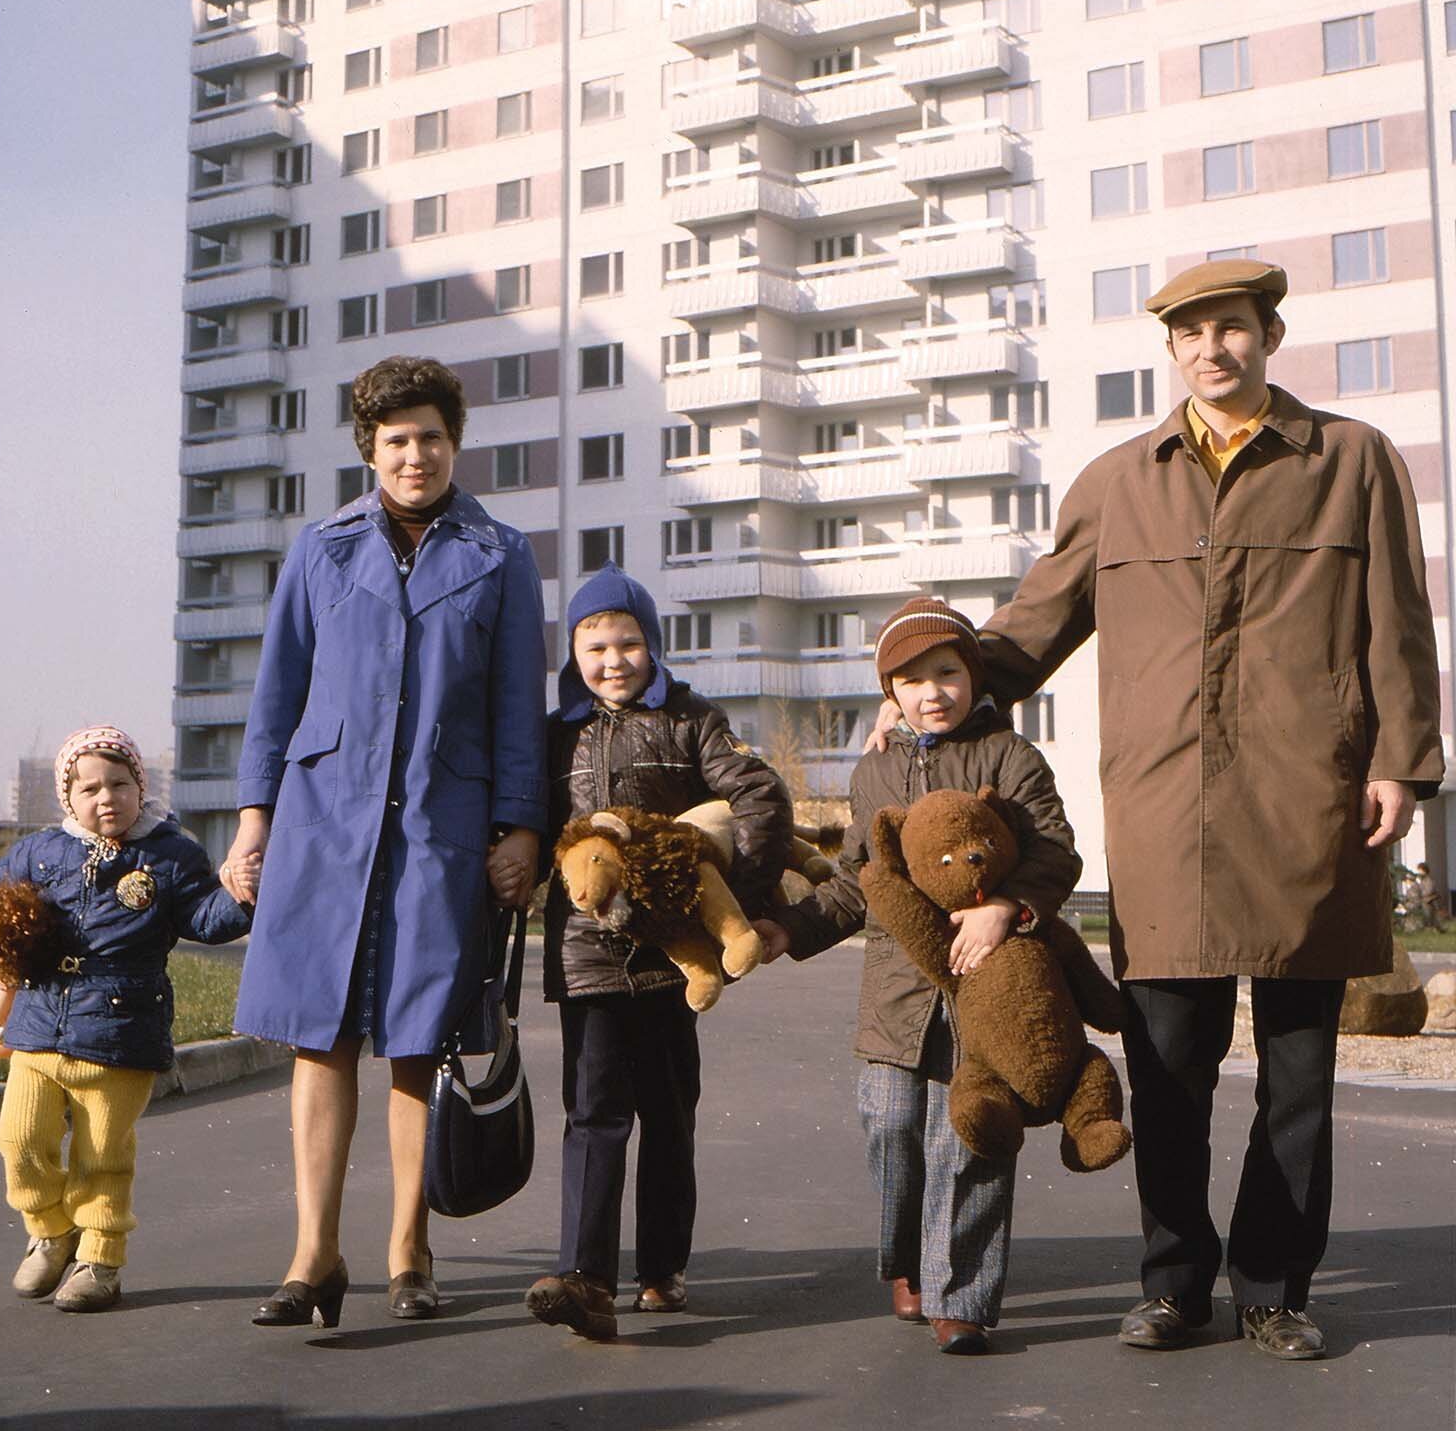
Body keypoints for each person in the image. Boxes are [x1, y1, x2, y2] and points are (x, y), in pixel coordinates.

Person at [870, 258, 1441, 1360]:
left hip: (1311, 804)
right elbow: (1030, 627)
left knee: (1298, 1076)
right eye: (1189, 333)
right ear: (1170, 349)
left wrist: (1400, 762)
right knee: (1167, 1068)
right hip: (1165, 812)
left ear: (1268, 335)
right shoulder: (1117, 481)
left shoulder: (1352, 459)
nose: (1210, 349)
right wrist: (921, 682)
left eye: (1230, 327)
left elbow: (1398, 624)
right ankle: (1174, 1284)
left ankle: (1274, 1289)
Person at [223, 355, 546, 1330]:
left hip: (439, 828)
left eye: (431, 437)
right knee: (318, 1038)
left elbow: (516, 708)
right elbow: (276, 695)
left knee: (417, 1038)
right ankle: (314, 1255)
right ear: (371, 449)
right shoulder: (319, 549)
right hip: (323, 826)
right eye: (397, 439)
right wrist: (253, 820)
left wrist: (521, 828)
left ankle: (410, 1248)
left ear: (455, 443)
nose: (416, 456)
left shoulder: (501, 554)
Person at [754, 599, 1081, 1355]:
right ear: (890, 692)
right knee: (890, 1124)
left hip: (988, 985)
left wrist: (1006, 906)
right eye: (911, 679)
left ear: (973, 676)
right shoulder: (875, 769)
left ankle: (958, 1296)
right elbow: (855, 880)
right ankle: (910, 1258)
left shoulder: (1009, 757)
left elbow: (1056, 851)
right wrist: (791, 928)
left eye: (947, 672)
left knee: (970, 1135)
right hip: (896, 991)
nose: (932, 692)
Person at [523, 563, 792, 1341]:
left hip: (672, 960)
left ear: (653, 643)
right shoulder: (556, 734)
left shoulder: (690, 719)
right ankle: (585, 1277)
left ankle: (662, 1268)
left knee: (669, 1113)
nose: (614, 661)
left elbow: (760, 795)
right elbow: (527, 825)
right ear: (574, 654)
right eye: (595, 646)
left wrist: (738, 893)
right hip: (585, 957)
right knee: (593, 1113)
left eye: (629, 643)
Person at [0, 725, 251, 1313]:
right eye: (90, 789)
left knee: (102, 1155)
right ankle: (51, 1231)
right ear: (69, 797)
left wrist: (242, 895)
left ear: (140, 788)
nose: (107, 799)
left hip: (120, 1030)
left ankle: (99, 1259)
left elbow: (205, 919)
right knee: (18, 1138)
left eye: (120, 785)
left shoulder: (169, 854)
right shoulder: (40, 851)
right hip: (38, 1025)